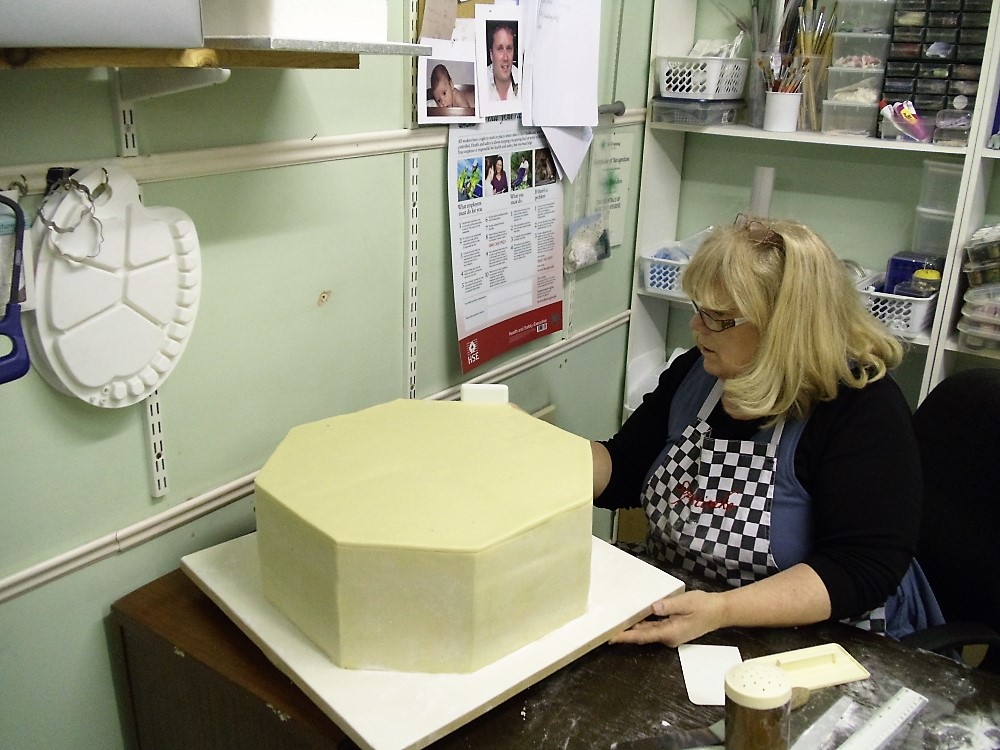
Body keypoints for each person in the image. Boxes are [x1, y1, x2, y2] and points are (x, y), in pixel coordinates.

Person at [593, 215, 944, 648]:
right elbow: (624, 468)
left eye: (719, 318)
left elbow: (859, 568)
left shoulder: (862, 406)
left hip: (824, 639)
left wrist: (722, 610)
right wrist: (534, 451)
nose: (696, 327)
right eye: (698, 309)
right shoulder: (698, 374)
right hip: (694, 616)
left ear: (784, 326)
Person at [486, 22, 519, 102]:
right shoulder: (481, 80)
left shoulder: (523, 79)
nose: (505, 58)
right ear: (491, 54)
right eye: (500, 49)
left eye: (509, 49)